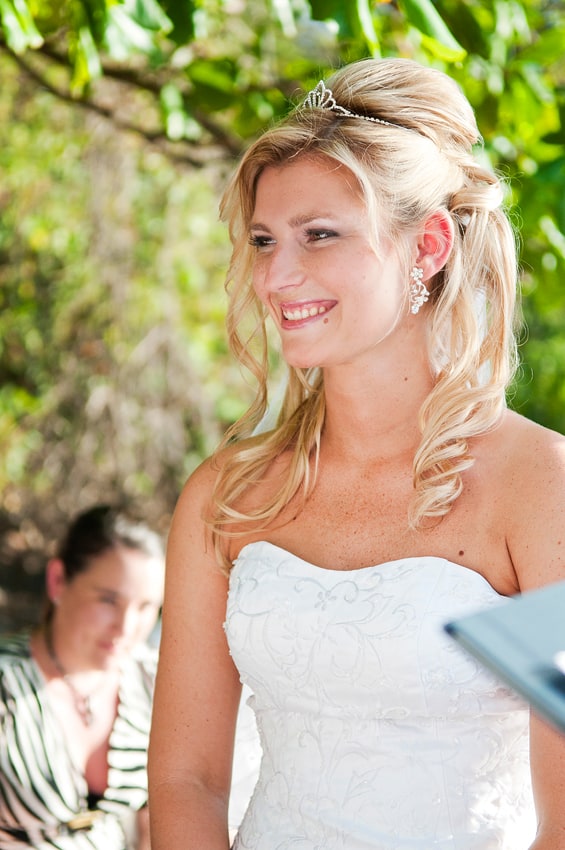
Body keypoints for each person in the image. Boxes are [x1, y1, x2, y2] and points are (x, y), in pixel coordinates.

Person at [147, 57, 565, 850]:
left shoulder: (541, 488)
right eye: (265, 239)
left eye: (320, 235)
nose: (276, 275)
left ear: (428, 246)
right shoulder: (225, 494)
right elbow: (186, 781)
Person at [0, 504, 165, 849]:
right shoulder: (7, 684)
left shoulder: (153, 681)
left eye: (145, 607)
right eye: (108, 600)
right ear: (58, 580)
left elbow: (160, 818)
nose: (126, 627)